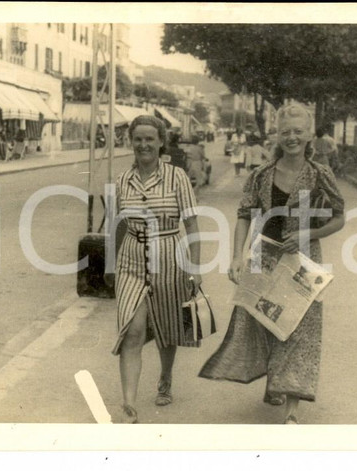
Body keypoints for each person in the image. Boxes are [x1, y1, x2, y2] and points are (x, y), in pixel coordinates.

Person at [199, 104, 345, 425]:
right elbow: (244, 215)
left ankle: (291, 411)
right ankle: (275, 380)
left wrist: (310, 233)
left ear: (309, 135)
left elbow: (339, 218)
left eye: (298, 132)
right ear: (276, 135)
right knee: (264, 324)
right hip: (264, 259)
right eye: (285, 132)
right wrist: (237, 256)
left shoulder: (321, 175)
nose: (291, 138)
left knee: (301, 330)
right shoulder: (261, 174)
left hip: (304, 263)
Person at [111, 115, 203, 424]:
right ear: (131, 141)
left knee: (167, 326)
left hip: (169, 256)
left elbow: (191, 223)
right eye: (138, 138)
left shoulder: (177, 177)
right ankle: (129, 403)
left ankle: (165, 377)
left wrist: (194, 268)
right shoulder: (123, 180)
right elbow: (118, 224)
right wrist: (113, 267)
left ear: (161, 141)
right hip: (132, 259)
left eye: (150, 138)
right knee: (132, 330)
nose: (143, 144)